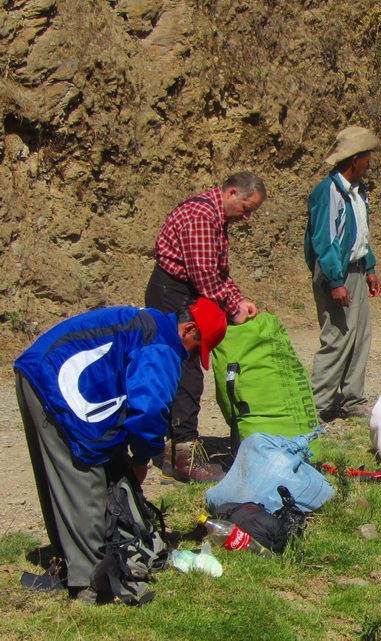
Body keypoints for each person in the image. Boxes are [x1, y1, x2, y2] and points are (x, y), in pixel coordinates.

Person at [14, 299, 228, 600]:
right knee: (84, 467)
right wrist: (141, 460)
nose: (191, 356)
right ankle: (91, 582)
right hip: (52, 378)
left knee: (92, 463)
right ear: (189, 328)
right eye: (197, 346)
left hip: (40, 369)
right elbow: (151, 411)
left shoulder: (153, 324)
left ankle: (71, 559)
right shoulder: (163, 345)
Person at [145, 171, 266, 482]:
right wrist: (232, 310)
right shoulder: (201, 216)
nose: (248, 217)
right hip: (173, 293)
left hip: (184, 292)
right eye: (247, 208)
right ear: (231, 193)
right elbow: (204, 278)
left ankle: (169, 451)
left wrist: (240, 300)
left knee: (182, 373)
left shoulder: (214, 217)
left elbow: (219, 274)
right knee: (186, 374)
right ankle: (183, 458)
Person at [305, 126, 381, 421]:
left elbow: (359, 233)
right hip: (335, 273)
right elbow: (324, 241)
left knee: (360, 335)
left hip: (355, 268)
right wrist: (335, 282)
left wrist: (370, 267)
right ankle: (316, 405)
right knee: (338, 337)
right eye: (367, 158)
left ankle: (353, 400)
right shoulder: (328, 192)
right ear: (355, 160)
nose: (369, 164)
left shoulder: (357, 193)